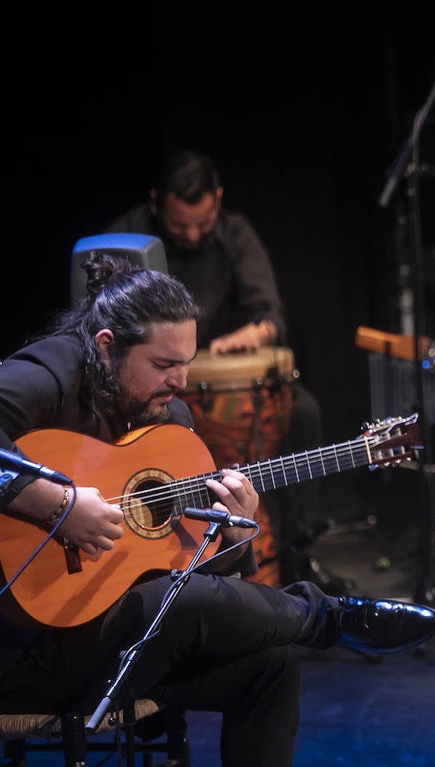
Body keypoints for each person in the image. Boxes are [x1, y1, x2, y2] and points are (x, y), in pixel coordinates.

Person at [0, 252, 435, 767]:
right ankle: (326, 616)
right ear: (107, 347)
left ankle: (319, 619)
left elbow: (190, 574)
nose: (180, 382)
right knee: (176, 600)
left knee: (272, 665)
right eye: (164, 365)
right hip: (25, 652)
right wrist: (59, 505)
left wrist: (235, 539)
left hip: (124, 649)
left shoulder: (168, 421)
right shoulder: (55, 370)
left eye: (186, 363)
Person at [104, 149, 334, 590]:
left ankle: (295, 547)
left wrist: (255, 333)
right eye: (179, 226)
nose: (192, 235)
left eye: (202, 224)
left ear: (219, 199)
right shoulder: (126, 237)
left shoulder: (235, 234)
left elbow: (271, 314)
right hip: (150, 385)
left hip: (222, 385)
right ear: (156, 202)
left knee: (304, 412)